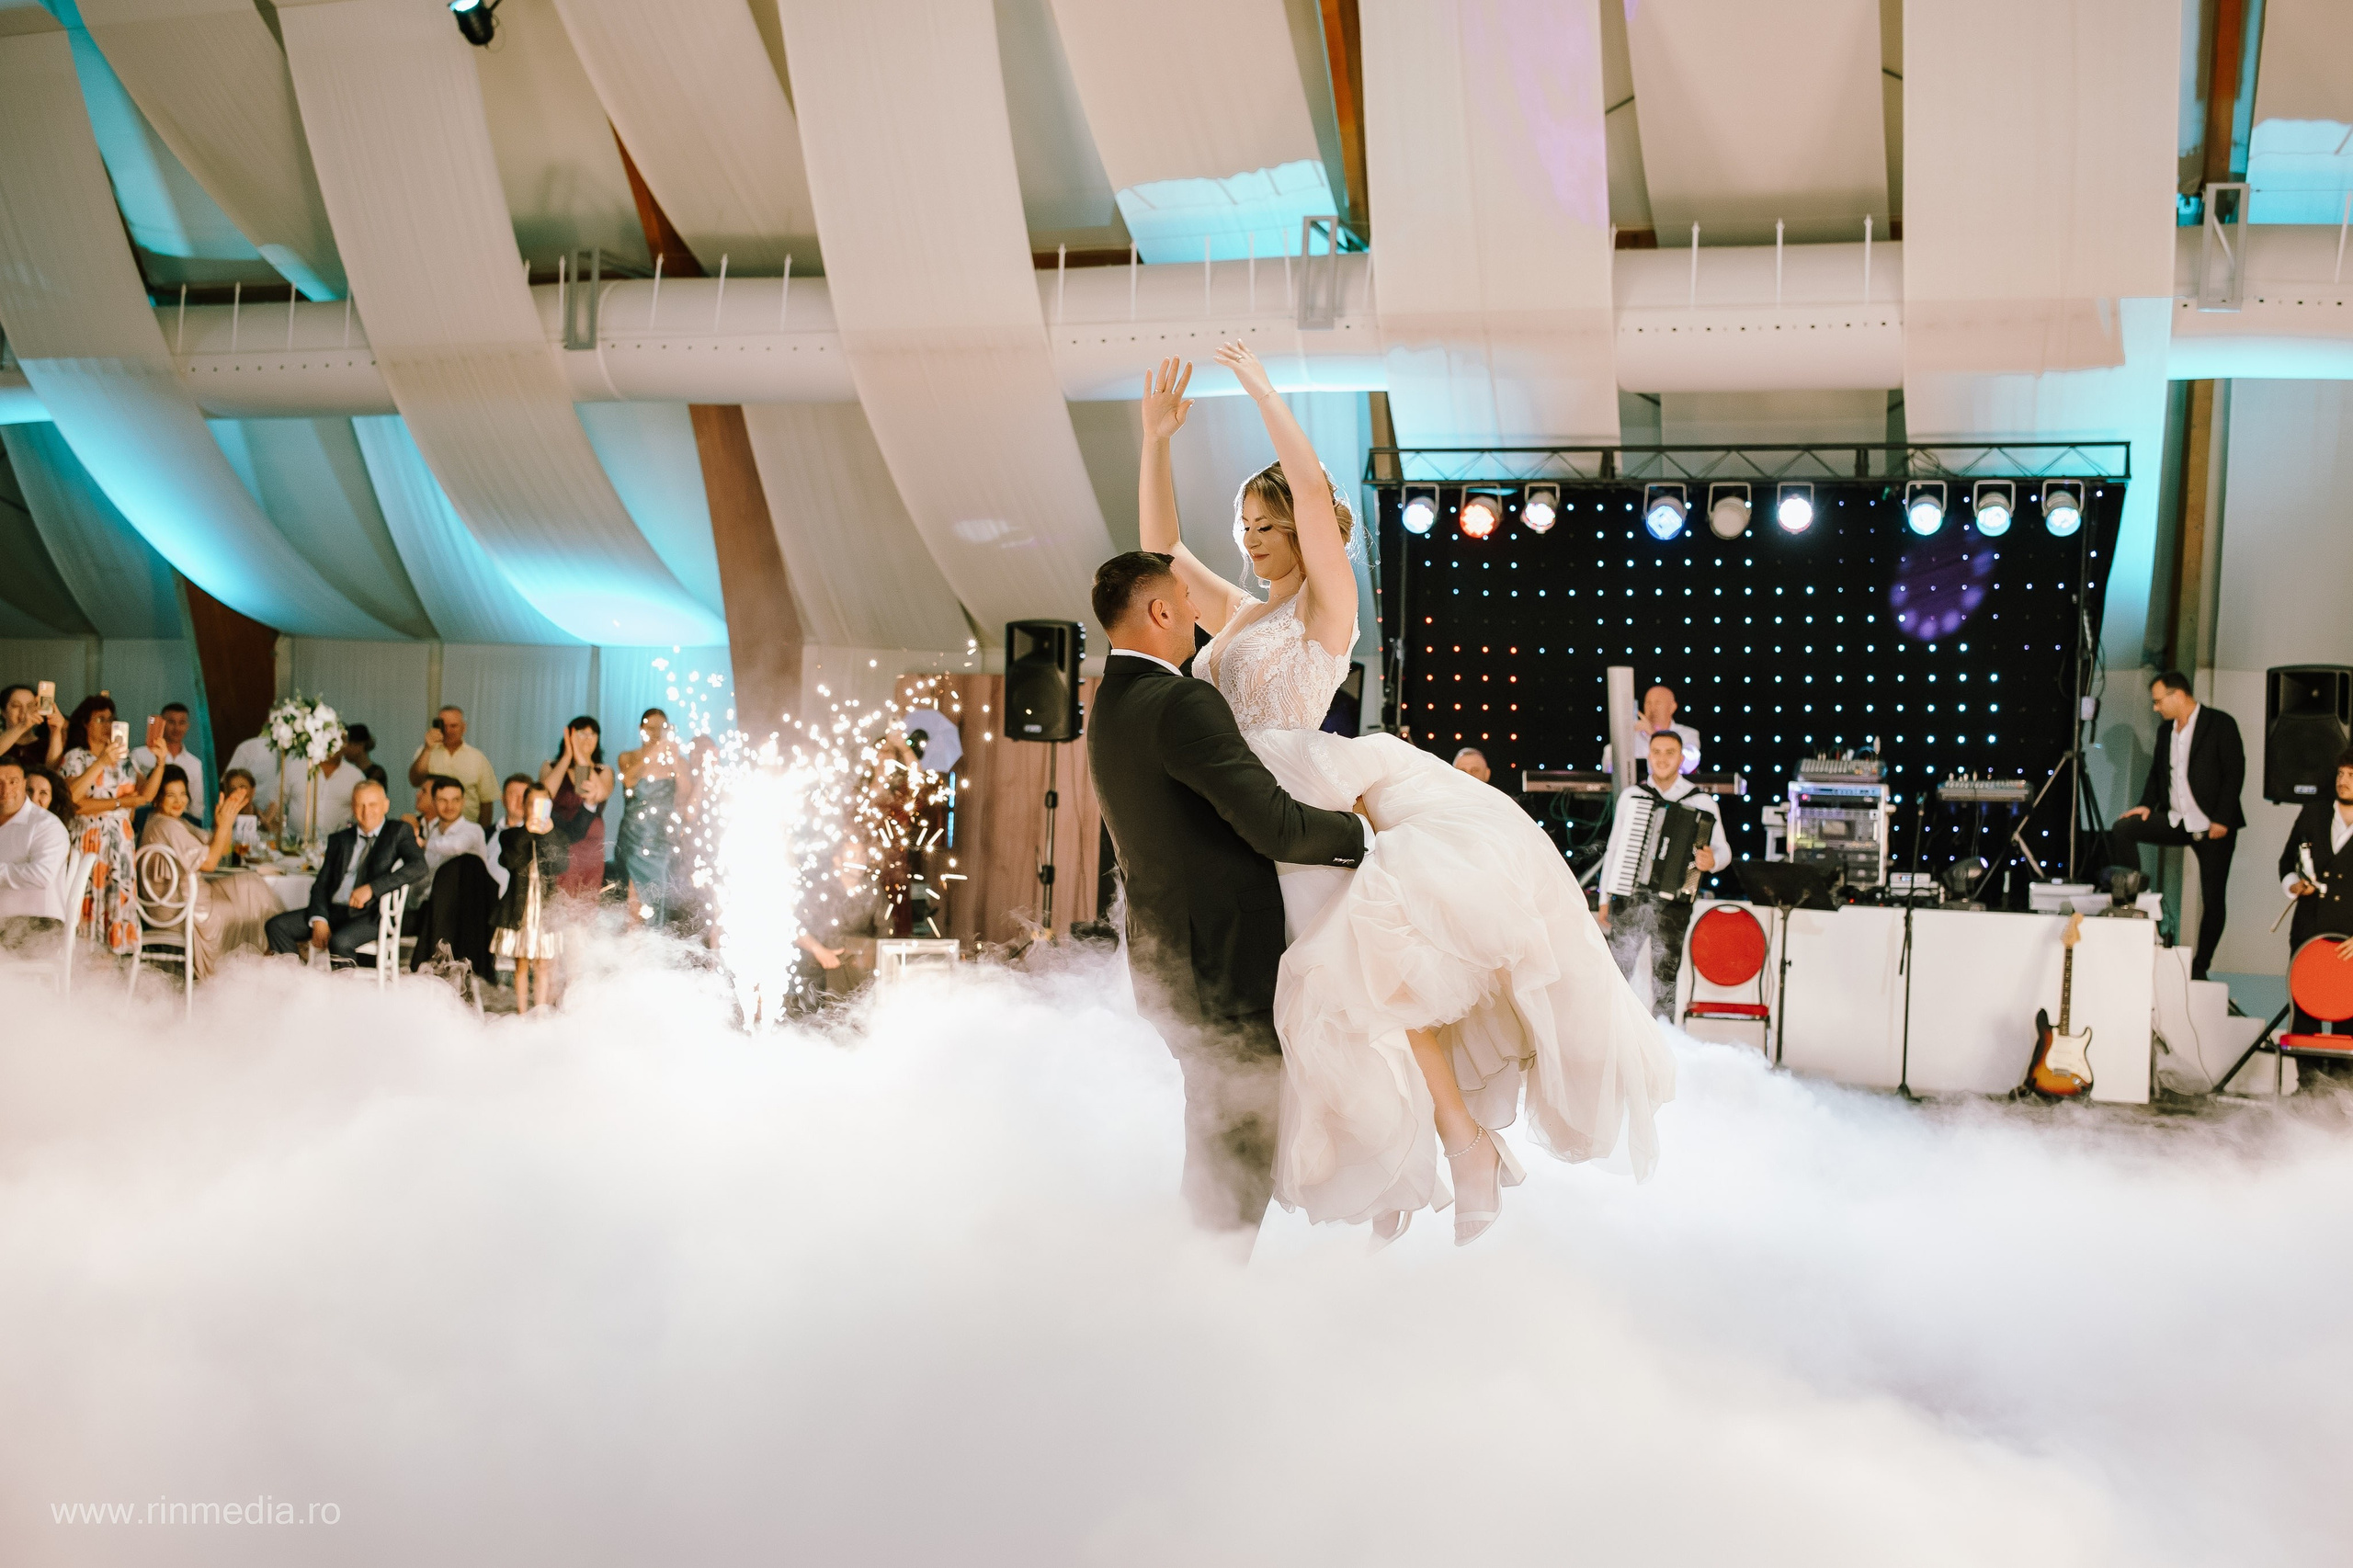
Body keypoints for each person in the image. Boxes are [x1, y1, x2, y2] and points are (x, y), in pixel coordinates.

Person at [1131, 347, 1674, 1245]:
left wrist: (1265, 392)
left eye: (1265, 522)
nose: (1251, 536)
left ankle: (1457, 1145)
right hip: (1231, 809)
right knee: (1319, 1006)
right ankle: (1422, 1156)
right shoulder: (1239, 614)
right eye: (1243, 522)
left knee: (1361, 981)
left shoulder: (1325, 605)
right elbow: (1161, 558)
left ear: (1304, 532)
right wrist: (1154, 442)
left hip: (1290, 795)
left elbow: (1311, 490)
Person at [1087, 553, 1369, 1239]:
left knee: (1218, 1141)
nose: (1193, 613)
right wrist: (1363, 836)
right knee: (1238, 1154)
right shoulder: (1181, 702)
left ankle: (1200, 1292)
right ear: (1158, 612)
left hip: (1169, 962)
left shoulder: (1112, 706)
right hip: (1221, 964)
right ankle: (1204, 1307)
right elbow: (1273, 823)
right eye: (1184, 600)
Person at [2111, 671, 2245, 980]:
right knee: (2124, 829)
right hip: (2177, 819)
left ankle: (2200, 967)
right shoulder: (2165, 732)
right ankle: (2133, 897)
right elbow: (2158, 775)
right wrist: (2146, 804)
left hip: (2212, 824)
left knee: (2213, 898)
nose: (2156, 708)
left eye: (2159, 701)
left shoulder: (2220, 724)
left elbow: (2234, 772)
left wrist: (2222, 819)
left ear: (2178, 695)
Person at [1598, 730, 1732, 1013]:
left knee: (1666, 979)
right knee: (1617, 973)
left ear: (1681, 759)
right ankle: (1617, 1040)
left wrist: (1712, 862)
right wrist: (1603, 899)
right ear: (1648, 757)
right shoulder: (1632, 796)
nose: (1662, 758)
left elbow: (1724, 851)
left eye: (1669, 752)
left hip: (1675, 904)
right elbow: (1614, 848)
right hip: (1628, 897)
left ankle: (1663, 1041)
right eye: (1656, 752)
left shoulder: (1701, 802)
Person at [263, 779, 428, 966]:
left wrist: (372, 889)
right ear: (353, 807)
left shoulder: (398, 831)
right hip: (334, 910)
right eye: (360, 805)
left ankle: (343, 992)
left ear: (385, 805)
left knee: (340, 942)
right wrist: (320, 918)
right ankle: (296, 981)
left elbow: (419, 866)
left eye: (372, 804)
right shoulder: (340, 839)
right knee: (277, 926)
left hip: (372, 914)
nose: (366, 812)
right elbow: (322, 884)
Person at [134, 767, 277, 981]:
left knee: (252, 885)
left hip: (185, 899)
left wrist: (224, 822)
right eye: (170, 795)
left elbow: (220, 846)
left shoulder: (171, 821)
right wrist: (227, 823)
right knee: (252, 908)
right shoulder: (167, 826)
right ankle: (259, 971)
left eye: (182, 794)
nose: (179, 801)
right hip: (181, 911)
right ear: (156, 798)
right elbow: (210, 862)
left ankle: (267, 964)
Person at [61, 697, 170, 954]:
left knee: (115, 907)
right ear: (85, 724)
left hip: (120, 844)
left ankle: (110, 976)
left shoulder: (125, 761)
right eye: (100, 719)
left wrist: (161, 763)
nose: (107, 725)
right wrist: (120, 801)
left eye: (110, 719)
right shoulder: (75, 757)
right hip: (89, 841)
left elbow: (145, 796)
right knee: (85, 906)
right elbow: (75, 801)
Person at [2279, 748, 2353, 1062]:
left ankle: (2341, 1096)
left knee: (2347, 1017)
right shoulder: (2314, 812)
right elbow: (2286, 862)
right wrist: (2293, 885)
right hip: (2308, 930)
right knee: (2304, 1016)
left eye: (2351, 775)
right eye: (2341, 774)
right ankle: (2305, 1090)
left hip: (2348, 939)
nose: (2343, 781)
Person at [408, 775, 500, 981]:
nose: (450, 806)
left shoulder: (473, 830)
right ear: (434, 802)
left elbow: (456, 847)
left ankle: (435, 968)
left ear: (463, 802)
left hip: (468, 913)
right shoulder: (432, 835)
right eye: (443, 800)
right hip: (435, 909)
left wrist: (422, 844)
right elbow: (420, 884)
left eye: (455, 800)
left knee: (461, 865)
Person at [494, 783, 571, 1013]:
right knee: (521, 963)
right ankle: (521, 1014)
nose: (537, 809)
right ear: (525, 807)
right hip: (521, 906)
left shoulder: (558, 835)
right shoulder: (511, 835)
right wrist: (527, 831)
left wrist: (547, 834)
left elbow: (560, 865)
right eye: (532, 804)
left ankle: (539, 1013)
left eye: (543, 804)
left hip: (546, 907)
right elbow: (510, 862)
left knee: (543, 964)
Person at [794, 842, 893, 1001]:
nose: (860, 861)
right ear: (837, 860)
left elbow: (886, 929)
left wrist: (876, 954)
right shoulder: (819, 889)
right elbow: (794, 927)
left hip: (860, 970)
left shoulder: (872, 888)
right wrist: (818, 950)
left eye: (862, 855)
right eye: (852, 856)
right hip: (818, 973)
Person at [615, 708, 681, 921]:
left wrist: (675, 760)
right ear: (640, 729)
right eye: (650, 728)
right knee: (633, 902)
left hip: (661, 840)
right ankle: (631, 949)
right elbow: (628, 779)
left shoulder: (672, 759)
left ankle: (654, 949)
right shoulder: (628, 756)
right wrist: (653, 752)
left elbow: (685, 795)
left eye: (661, 728)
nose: (655, 733)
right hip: (635, 838)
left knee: (657, 901)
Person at [0, 758, 70, 954]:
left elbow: (41, 875)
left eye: (13, 781)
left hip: (38, 923)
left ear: (23, 784)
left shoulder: (46, 825)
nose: (5, 790)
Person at [541, 717, 612, 898]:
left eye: (592, 734)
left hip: (590, 840)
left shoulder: (603, 770)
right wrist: (568, 756)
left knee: (587, 894)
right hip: (559, 837)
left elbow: (600, 794)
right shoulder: (551, 765)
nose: (587, 739)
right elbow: (545, 794)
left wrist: (582, 757)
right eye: (581, 734)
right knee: (559, 894)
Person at [410, 706, 499, 830]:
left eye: (453, 726)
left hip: (467, 829)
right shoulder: (425, 751)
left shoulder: (478, 758)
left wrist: (482, 834)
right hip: (430, 829)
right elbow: (415, 781)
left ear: (464, 728)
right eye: (443, 725)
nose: (448, 730)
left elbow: (486, 802)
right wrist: (428, 748)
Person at [1599, 685, 1702, 777]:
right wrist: (1626, 735)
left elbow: (1689, 764)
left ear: (1672, 707)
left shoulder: (1688, 734)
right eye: (1648, 703)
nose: (1653, 709)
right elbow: (1608, 766)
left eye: (1658, 703)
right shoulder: (1633, 736)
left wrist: (1654, 735)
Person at [129, 703, 205, 826]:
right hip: (146, 818)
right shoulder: (140, 754)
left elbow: (196, 803)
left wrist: (194, 826)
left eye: (181, 723)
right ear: (162, 724)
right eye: (171, 722)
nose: (177, 728)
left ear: (187, 726)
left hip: (181, 820)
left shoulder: (195, 763)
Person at [3, 683, 66, 775]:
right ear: (3, 712)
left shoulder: (45, 746)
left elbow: (51, 772)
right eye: (16, 706)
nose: (24, 712)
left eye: (30, 706)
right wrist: (23, 725)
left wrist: (56, 732)